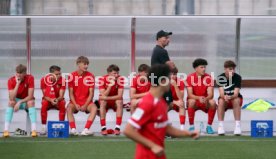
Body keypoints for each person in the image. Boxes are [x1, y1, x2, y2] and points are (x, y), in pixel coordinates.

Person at [124, 64, 199, 159]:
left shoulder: (162, 102)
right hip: (146, 156)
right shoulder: (147, 103)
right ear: (163, 81)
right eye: (169, 78)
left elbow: (167, 128)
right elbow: (128, 130)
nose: (171, 81)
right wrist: (153, 146)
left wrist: (188, 133)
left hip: (159, 155)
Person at [3, 64, 37, 137]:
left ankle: (34, 130)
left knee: (31, 102)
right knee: (10, 102)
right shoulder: (11, 80)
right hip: (15, 101)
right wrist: (17, 84)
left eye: (21, 73)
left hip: (26, 101)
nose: (18, 75)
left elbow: (30, 96)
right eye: (17, 73)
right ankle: (6, 130)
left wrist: (20, 102)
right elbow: (12, 98)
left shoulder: (30, 78)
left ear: (25, 73)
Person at [67, 56, 98, 136]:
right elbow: (71, 93)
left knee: (94, 108)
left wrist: (85, 105)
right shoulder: (71, 75)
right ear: (78, 64)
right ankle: (73, 129)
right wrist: (75, 104)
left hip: (86, 102)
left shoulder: (91, 76)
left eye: (87, 64)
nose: (86, 66)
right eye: (84, 64)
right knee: (69, 107)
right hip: (75, 102)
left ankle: (86, 130)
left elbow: (91, 93)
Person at [186, 58, 217, 134]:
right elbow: (190, 94)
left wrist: (205, 98)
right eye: (201, 67)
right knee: (191, 101)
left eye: (204, 67)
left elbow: (211, 94)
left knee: (213, 102)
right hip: (195, 101)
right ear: (196, 68)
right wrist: (198, 98)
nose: (204, 69)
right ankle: (191, 127)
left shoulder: (209, 78)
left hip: (205, 101)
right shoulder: (190, 77)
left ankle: (209, 127)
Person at [217, 60, 243, 135]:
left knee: (236, 100)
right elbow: (221, 92)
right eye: (230, 69)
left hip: (235, 98)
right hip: (224, 98)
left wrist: (230, 96)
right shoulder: (220, 77)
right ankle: (220, 126)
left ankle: (237, 126)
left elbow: (236, 93)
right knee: (221, 101)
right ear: (225, 69)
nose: (233, 71)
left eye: (234, 69)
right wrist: (224, 96)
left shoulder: (237, 77)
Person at [151, 30, 175, 106]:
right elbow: (172, 67)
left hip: (158, 81)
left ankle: (157, 117)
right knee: (168, 104)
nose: (168, 40)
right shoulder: (161, 51)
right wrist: (174, 67)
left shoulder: (156, 49)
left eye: (168, 38)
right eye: (166, 37)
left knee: (164, 104)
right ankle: (156, 118)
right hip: (161, 82)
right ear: (158, 39)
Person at [99, 64, 124, 135]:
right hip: (106, 101)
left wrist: (106, 97)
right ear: (109, 74)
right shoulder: (102, 79)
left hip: (114, 100)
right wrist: (110, 85)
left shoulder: (120, 79)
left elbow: (119, 96)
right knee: (103, 102)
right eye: (114, 73)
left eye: (117, 73)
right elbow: (103, 94)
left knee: (119, 101)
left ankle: (117, 128)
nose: (116, 75)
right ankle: (103, 128)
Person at [40, 65, 66, 135]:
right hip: (48, 100)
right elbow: (45, 95)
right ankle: (43, 127)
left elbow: (61, 96)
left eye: (60, 74)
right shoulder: (44, 80)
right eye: (56, 74)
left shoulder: (63, 80)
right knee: (44, 103)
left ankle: (61, 126)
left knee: (63, 103)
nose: (59, 76)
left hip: (58, 100)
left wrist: (56, 100)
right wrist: (51, 100)